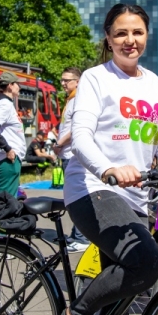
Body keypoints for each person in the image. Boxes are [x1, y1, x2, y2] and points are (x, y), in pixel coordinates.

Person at [60, 3, 158, 315]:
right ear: (108, 38)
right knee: (144, 264)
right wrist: (108, 168)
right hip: (94, 189)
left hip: (135, 198)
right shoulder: (96, 78)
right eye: (121, 33)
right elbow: (81, 136)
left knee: (121, 302)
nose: (130, 40)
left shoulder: (155, 84)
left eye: (137, 32)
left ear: (146, 36)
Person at [52, 67, 90, 250]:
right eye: (62, 80)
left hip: (72, 155)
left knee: (77, 197)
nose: (63, 84)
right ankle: (77, 235)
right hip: (67, 154)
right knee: (73, 196)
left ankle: (82, 239)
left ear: (77, 81)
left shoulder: (78, 100)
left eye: (67, 80)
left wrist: (59, 143)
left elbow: (76, 129)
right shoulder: (71, 99)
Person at [0, 71, 27, 197]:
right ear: (10, 86)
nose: (20, 87)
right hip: (7, 158)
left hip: (8, 158)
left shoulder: (6, 103)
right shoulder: (5, 104)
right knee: (7, 199)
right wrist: (8, 149)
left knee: (9, 198)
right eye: (17, 84)